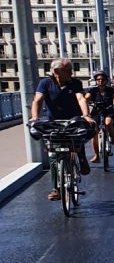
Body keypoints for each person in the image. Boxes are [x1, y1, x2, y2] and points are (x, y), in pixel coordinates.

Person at [29, 58, 96, 201]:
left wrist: (86, 115)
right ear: (57, 71)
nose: (71, 73)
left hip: (73, 120)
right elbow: (37, 100)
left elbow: (81, 99)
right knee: (55, 155)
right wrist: (34, 117)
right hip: (55, 122)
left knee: (77, 140)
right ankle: (56, 189)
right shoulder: (45, 83)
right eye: (68, 71)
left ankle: (82, 159)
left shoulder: (75, 83)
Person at [85, 70, 114, 163]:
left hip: (108, 110)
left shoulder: (110, 90)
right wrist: (84, 102)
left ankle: (113, 137)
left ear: (106, 80)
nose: (100, 81)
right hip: (96, 112)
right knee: (94, 132)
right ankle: (96, 155)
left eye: (102, 79)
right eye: (98, 80)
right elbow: (86, 98)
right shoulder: (93, 90)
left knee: (108, 123)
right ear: (96, 81)